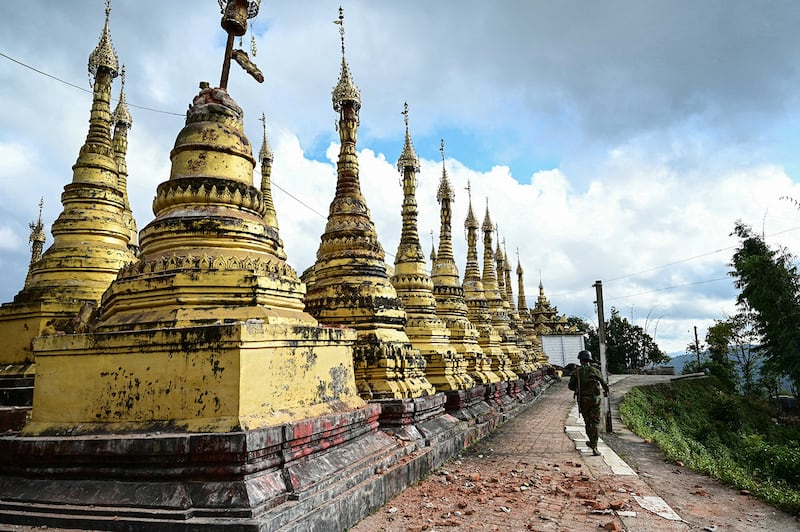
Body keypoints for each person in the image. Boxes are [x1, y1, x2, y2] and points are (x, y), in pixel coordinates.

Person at [568, 350, 609, 456]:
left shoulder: (576, 372)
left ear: (580, 360)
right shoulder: (596, 371)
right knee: (595, 422)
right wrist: (605, 392)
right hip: (595, 401)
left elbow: (571, 386)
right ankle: (594, 445)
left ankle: (591, 441)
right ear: (590, 360)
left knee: (587, 422)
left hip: (583, 401)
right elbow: (604, 384)